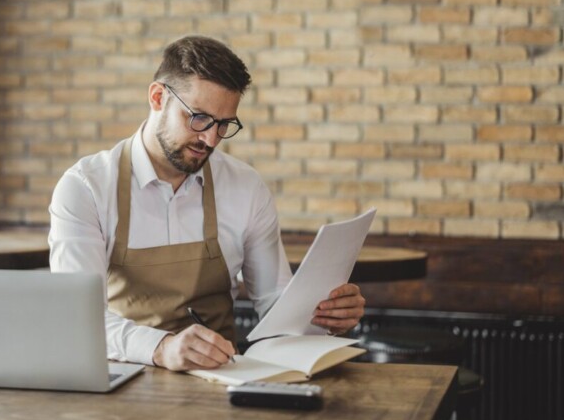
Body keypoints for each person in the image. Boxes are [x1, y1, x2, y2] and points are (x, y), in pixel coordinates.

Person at [48, 35, 365, 371]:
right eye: (198, 118)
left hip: (222, 380)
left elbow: (276, 306)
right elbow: (77, 317)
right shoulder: (86, 188)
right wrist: (161, 348)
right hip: (123, 381)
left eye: (224, 124)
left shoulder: (245, 187)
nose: (210, 139)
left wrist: (323, 319)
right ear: (158, 98)